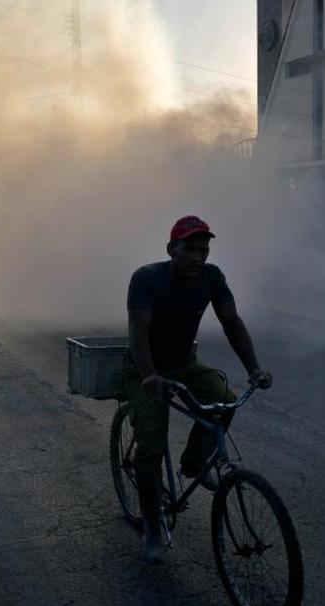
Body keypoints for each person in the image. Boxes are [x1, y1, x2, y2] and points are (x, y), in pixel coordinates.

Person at [125, 214, 273, 564]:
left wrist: (254, 368)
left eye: (202, 250)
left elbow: (231, 322)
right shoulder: (146, 279)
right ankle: (151, 528)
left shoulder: (212, 277)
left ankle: (193, 464)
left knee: (225, 401)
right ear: (171, 249)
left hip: (183, 364)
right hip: (144, 370)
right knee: (151, 441)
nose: (197, 257)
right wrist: (148, 376)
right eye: (188, 249)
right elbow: (137, 331)